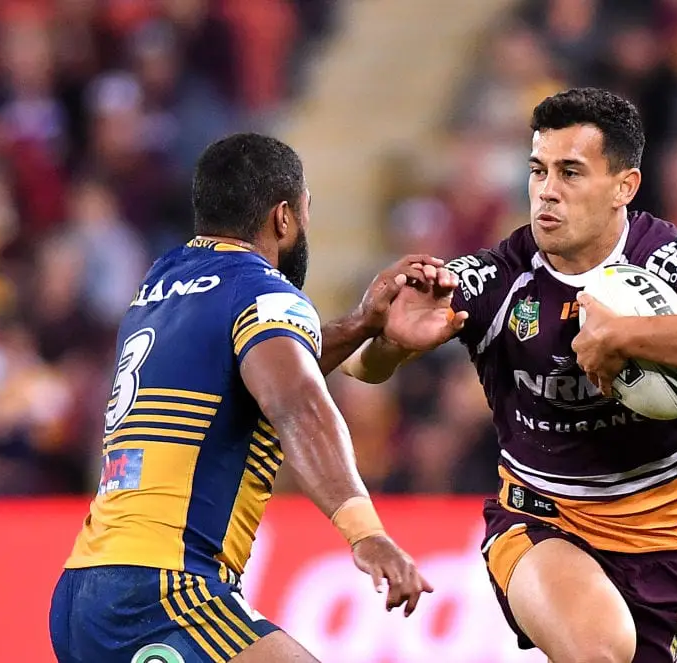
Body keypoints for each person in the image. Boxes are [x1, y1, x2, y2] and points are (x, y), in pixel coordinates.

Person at [342, 88, 677, 663]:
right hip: (539, 520)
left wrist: (623, 337)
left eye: (571, 172)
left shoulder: (668, 259)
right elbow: (362, 365)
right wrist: (389, 344)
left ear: (624, 187)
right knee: (599, 650)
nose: (546, 191)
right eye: (539, 170)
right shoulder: (497, 277)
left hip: (658, 546)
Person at [48, 133, 462, 663]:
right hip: (164, 591)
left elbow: (257, 372)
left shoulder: (162, 284)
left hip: (84, 589)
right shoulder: (263, 291)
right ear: (283, 217)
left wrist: (362, 324)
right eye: (306, 210)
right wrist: (366, 533)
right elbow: (296, 402)